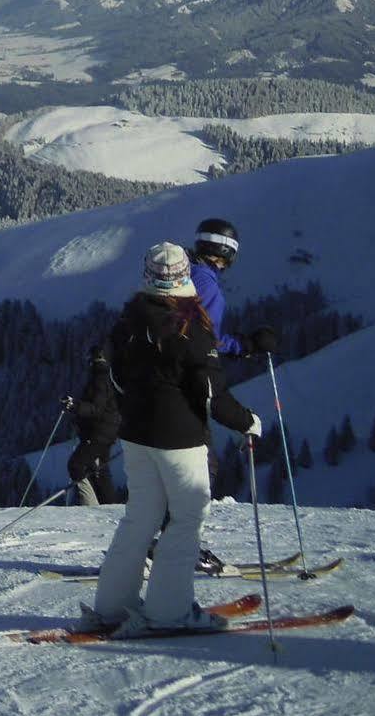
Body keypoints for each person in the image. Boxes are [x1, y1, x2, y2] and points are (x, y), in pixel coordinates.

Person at [89, 243, 261, 636]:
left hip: (135, 434)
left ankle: (112, 607)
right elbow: (211, 392)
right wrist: (247, 421)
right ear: (184, 278)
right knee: (186, 520)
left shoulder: (130, 317)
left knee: (139, 518)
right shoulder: (190, 324)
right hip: (180, 438)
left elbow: (115, 378)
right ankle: (169, 611)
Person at [188, 218, 280, 361]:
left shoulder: (183, 270)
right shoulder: (206, 283)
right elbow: (209, 338)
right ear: (226, 251)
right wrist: (245, 345)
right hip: (184, 368)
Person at [65, 344, 119, 506]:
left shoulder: (99, 379)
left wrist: (74, 406)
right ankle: (108, 506)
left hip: (98, 432)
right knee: (99, 471)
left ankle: (90, 505)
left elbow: (96, 408)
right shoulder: (109, 376)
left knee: (77, 465)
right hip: (107, 431)